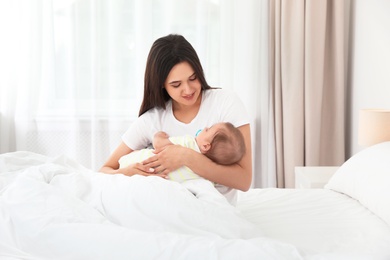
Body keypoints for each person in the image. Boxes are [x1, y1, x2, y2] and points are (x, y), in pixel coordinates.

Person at [99, 34, 252, 204]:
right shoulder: (152, 120)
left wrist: (186, 156)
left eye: (193, 78)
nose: (188, 90)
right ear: (161, 84)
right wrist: (127, 173)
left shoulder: (225, 102)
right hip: (169, 210)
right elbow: (104, 171)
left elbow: (244, 181)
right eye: (176, 84)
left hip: (216, 211)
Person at [118, 122, 246, 183]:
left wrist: (158, 136)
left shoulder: (190, 143)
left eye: (209, 130)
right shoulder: (207, 176)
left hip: (137, 163)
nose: (205, 127)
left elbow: (159, 146)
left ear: (206, 145)